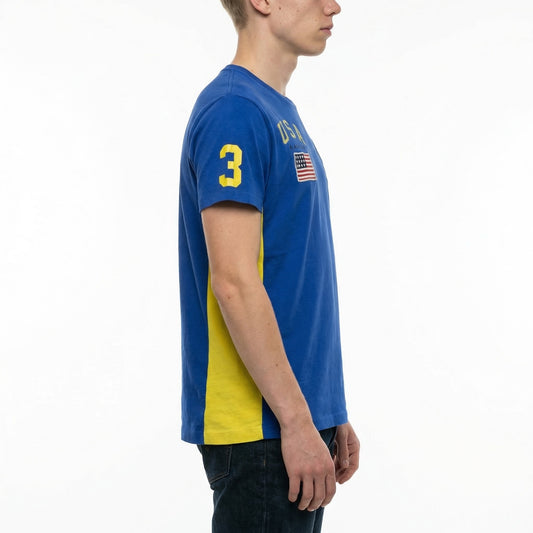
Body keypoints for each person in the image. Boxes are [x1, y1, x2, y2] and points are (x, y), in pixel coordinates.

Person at [178, 0, 360, 531]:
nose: (333, 6)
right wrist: (298, 421)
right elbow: (234, 282)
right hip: (262, 429)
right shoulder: (234, 112)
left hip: (290, 419)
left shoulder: (276, 111)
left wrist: (327, 411)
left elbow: (292, 272)